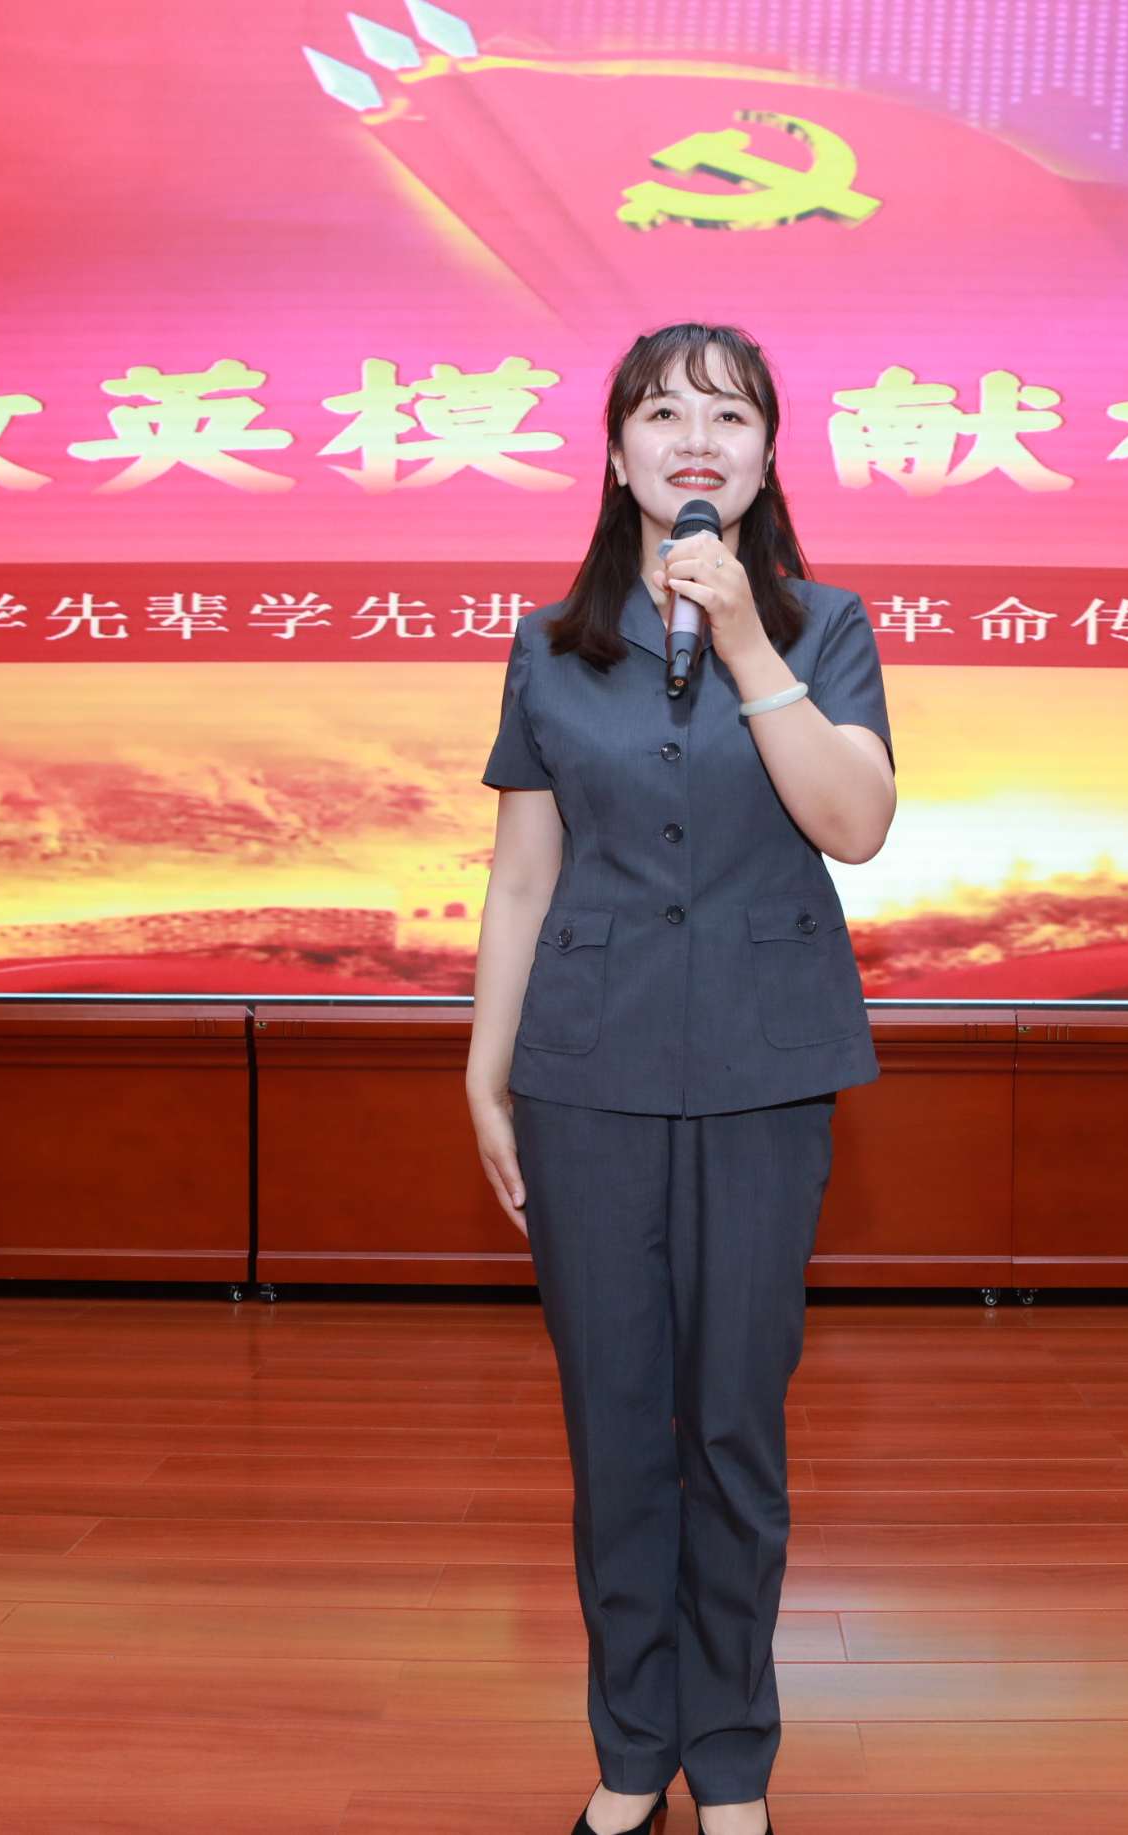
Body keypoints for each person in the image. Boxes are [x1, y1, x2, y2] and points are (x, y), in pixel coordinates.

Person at [466, 322, 897, 1835]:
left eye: (727, 416)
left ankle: (733, 1764)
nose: (693, 439)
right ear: (615, 452)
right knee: (615, 1420)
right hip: (586, 1067)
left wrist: (747, 644)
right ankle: (631, 1751)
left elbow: (857, 827)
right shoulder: (549, 645)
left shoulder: (823, 627)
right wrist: (486, 1068)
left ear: (767, 457)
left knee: (730, 1424)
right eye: (661, 414)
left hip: (766, 1066)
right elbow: (524, 878)